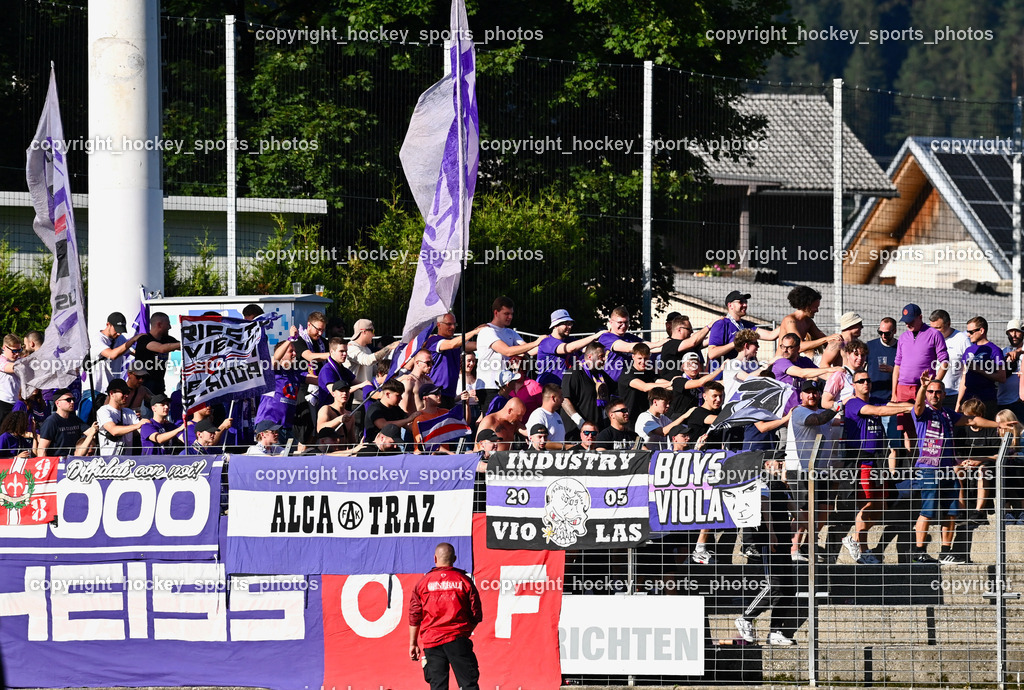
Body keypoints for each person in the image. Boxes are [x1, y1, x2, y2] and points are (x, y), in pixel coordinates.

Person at [910, 372, 1008, 563]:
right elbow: (918, 405)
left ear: (945, 394)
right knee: (927, 510)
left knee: (952, 510)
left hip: (948, 467)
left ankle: (945, 551)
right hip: (929, 468)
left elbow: (972, 420)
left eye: (938, 392)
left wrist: (999, 424)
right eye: (930, 392)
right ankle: (918, 551)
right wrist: (922, 387)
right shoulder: (923, 412)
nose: (934, 395)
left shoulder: (947, 414)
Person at [842, 373, 913, 564]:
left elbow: (890, 406)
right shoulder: (852, 403)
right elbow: (879, 411)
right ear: (854, 385)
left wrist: (913, 405)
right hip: (862, 461)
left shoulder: (875, 399)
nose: (866, 383)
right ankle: (863, 549)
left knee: (882, 504)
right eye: (861, 381)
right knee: (867, 504)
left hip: (878, 461)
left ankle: (855, 539)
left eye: (868, 380)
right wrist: (911, 408)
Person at [409, 542, 482, 690]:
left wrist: (413, 643)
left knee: (438, 686)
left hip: (432, 641)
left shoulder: (423, 583)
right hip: (458, 638)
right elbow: (476, 614)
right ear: (454, 558)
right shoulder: (464, 581)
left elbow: (414, 614)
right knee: (469, 684)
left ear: (435, 558)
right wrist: (464, 632)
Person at [893, 304, 949, 446]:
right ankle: (910, 466)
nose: (908, 324)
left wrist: (934, 384)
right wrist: (894, 391)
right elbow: (897, 365)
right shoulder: (903, 337)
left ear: (920, 317)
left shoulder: (934, 334)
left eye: (911, 320)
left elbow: (944, 361)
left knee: (927, 426)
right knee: (906, 430)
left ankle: (926, 460)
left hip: (923, 388)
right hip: (903, 388)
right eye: (906, 321)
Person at [475, 297, 543, 410]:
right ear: (496, 313)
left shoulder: (510, 332)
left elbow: (530, 350)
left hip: (506, 386)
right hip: (489, 387)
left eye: (511, 313)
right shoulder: (486, 331)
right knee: (492, 423)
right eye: (506, 313)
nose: (510, 317)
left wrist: (551, 343)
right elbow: (507, 350)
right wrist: (536, 342)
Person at [532, 309, 604, 385]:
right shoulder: (547, 341)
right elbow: (569, 348)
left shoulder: (571, 341)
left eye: (570, 324)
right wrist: (595, 336)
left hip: (568, 388)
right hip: (549, 390)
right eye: (566, 323)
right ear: (555, 325)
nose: (569, 327)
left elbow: (588, 349)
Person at [706, 290, 775, 367]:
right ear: (730, 305)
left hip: (742, 372)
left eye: (745, 302)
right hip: (722, 374)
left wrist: (788, 321)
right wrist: (736, 343)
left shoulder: (745, 325)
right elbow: (712, 353)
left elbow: (770, 335)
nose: (745, 305)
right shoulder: (721, 324)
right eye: (741, 302)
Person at [957, 316, 1004, 417]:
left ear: (981, 330)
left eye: (971, 332)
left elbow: (1001, 377)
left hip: (986, 400)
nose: (968, 335)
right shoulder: (969, 350)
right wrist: (958, 402)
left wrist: (980, 370)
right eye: (967, 331)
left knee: (986, 431)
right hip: (968, 400)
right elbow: (964, 378)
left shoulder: (995, 350)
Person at [776, 285, 841, 357]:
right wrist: (826, 339)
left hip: (796, 361)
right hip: (782, 361)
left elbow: (822, 338)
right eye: (815, 307)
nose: (817, 310)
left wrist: (843, 344)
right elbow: (799, 346)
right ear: (806, 306)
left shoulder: (808, 322)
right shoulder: (790, 320)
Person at [92, 312, 142, 397]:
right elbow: (112, 355)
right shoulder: (98, 339)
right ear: (108, 325)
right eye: (117, 330)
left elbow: (136, 352)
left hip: (112, 392)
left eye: (121, 331)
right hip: (95, 391)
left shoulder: (120, 338)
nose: (119, 334)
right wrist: (133, 340)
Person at [562, 343, 610, 431]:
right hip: (577, 430)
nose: (604, 359)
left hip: (597, 429)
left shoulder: (602, 375)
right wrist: (580, 422)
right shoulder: (574, 373)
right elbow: (565, 400)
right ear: (590, 356)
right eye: (601, 356)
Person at [36, 387, 97, 457]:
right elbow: (41, 450)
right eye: (68, 400)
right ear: (57, 403)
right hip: (57, 462)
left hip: (72, 461)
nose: (72, 402)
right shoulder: (51, 421)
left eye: (73, 399)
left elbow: (91, 433)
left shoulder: (75, 419)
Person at [771, 333, 841, 392]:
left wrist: (842, 375)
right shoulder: (781, 362)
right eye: (783, 347)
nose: (785, 350)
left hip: (802, 404)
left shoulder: (804, 361)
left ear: (798, 348)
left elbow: (825, 375)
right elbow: (801, 373)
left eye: (789, 347)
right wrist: (829, 369)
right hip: (786, 406)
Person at [133, 312, 181, 395]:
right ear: (159, 324)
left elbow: (184, 347)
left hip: (159, 386)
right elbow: (161, 348)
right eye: (168, 324)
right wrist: (183, 344)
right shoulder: (144, 339)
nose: (170, 327)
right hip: (144, 387)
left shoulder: (167, 339)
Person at [929, 309, 970, 405]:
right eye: (932, 328)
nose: (934, 332)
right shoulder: (929, 338)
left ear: (948, 324)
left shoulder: (962, 340)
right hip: (931, 394)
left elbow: (968, 370)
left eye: (938, 328)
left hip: (953, 395)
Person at [96, 379, 144, 456]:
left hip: (127, 462)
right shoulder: (103, 411)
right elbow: (114, 431)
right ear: (111, 393)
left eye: (128, 392)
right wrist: (137, 425)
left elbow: (141, 431)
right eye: (123, 392)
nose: (127, 395)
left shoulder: (129, 412)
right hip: (109, 462)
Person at [866, 317, 898, 401]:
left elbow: (908, 371)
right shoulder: (870, 346)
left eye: (887, 333)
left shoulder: (900, 347)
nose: (883, 336)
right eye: (880, 332)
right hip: (871, 396)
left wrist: (893, 370)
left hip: (891, 398)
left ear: (894, 331)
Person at [998, 319, 1024, 419]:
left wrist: (1019, 352)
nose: (1013, 335)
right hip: (1002, 401)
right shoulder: (1004, 351)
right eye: (1010, 332)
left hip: (1019, 402)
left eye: (1017, 331)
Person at [0, 334, 23, 427]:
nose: (17, 354)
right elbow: (11, 368)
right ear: (4, 347)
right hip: (3, 404)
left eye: (19, 350)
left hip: (17, 404)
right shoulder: (1, 359)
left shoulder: (20, 360)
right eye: (14, 351)